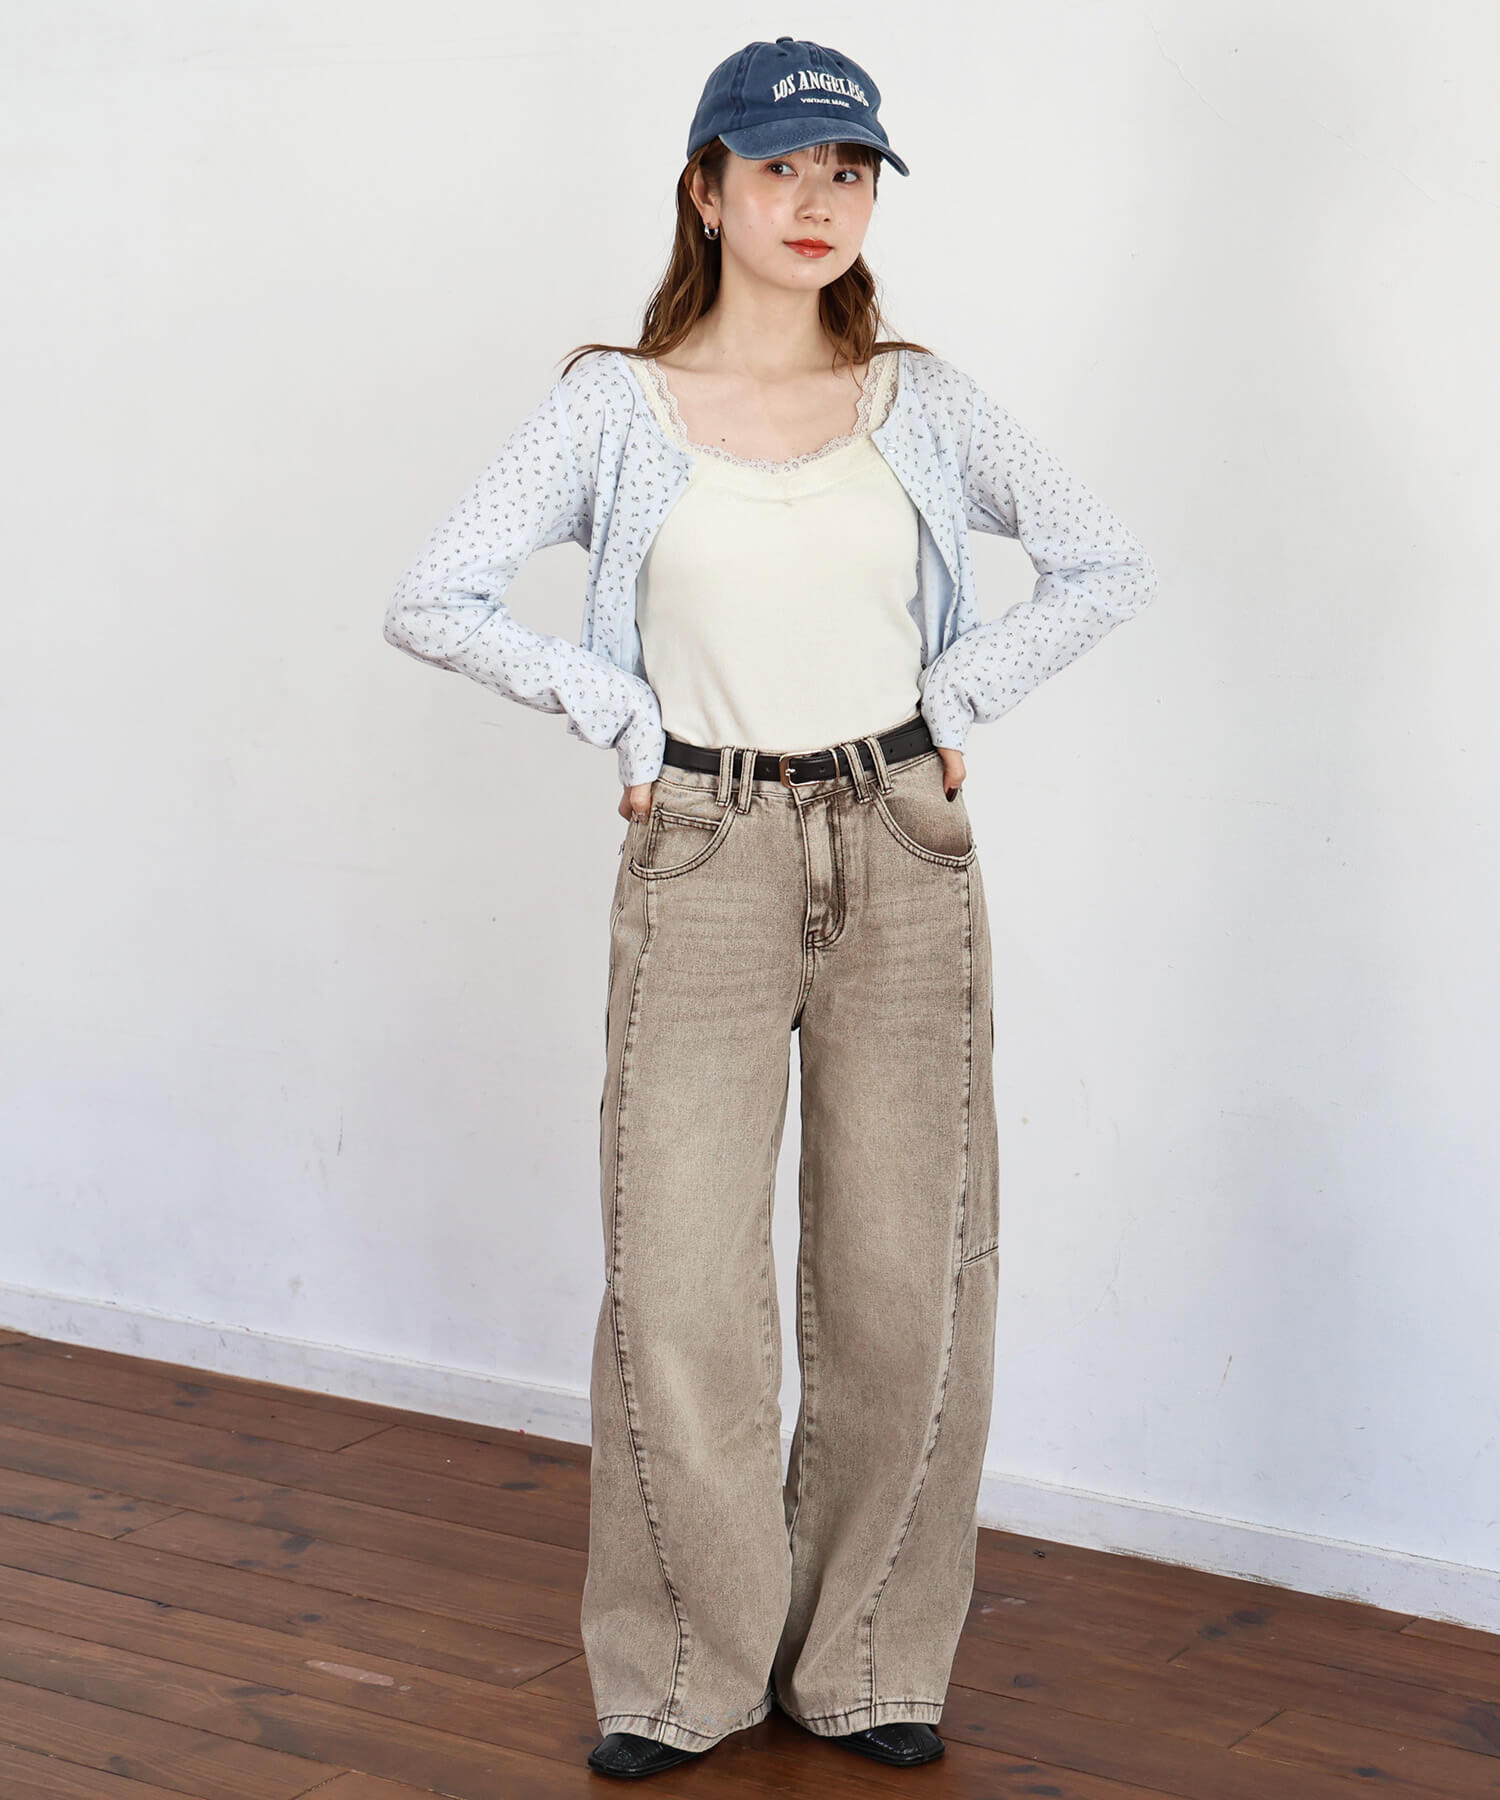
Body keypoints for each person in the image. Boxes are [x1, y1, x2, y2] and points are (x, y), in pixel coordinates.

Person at [384, 36, 1158, 1781]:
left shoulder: (922, 400)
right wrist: (615, 711)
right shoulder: (612, 405)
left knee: (909, 1275)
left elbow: (1106, 558)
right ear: (706, 186)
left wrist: (959, 698)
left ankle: (871, 1659)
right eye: (782, 167)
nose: (817, 202)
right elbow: (434, 593)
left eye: (849, 172)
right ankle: (686, 1672)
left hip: (901, 845)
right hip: (703, 850)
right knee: (676, 1278)